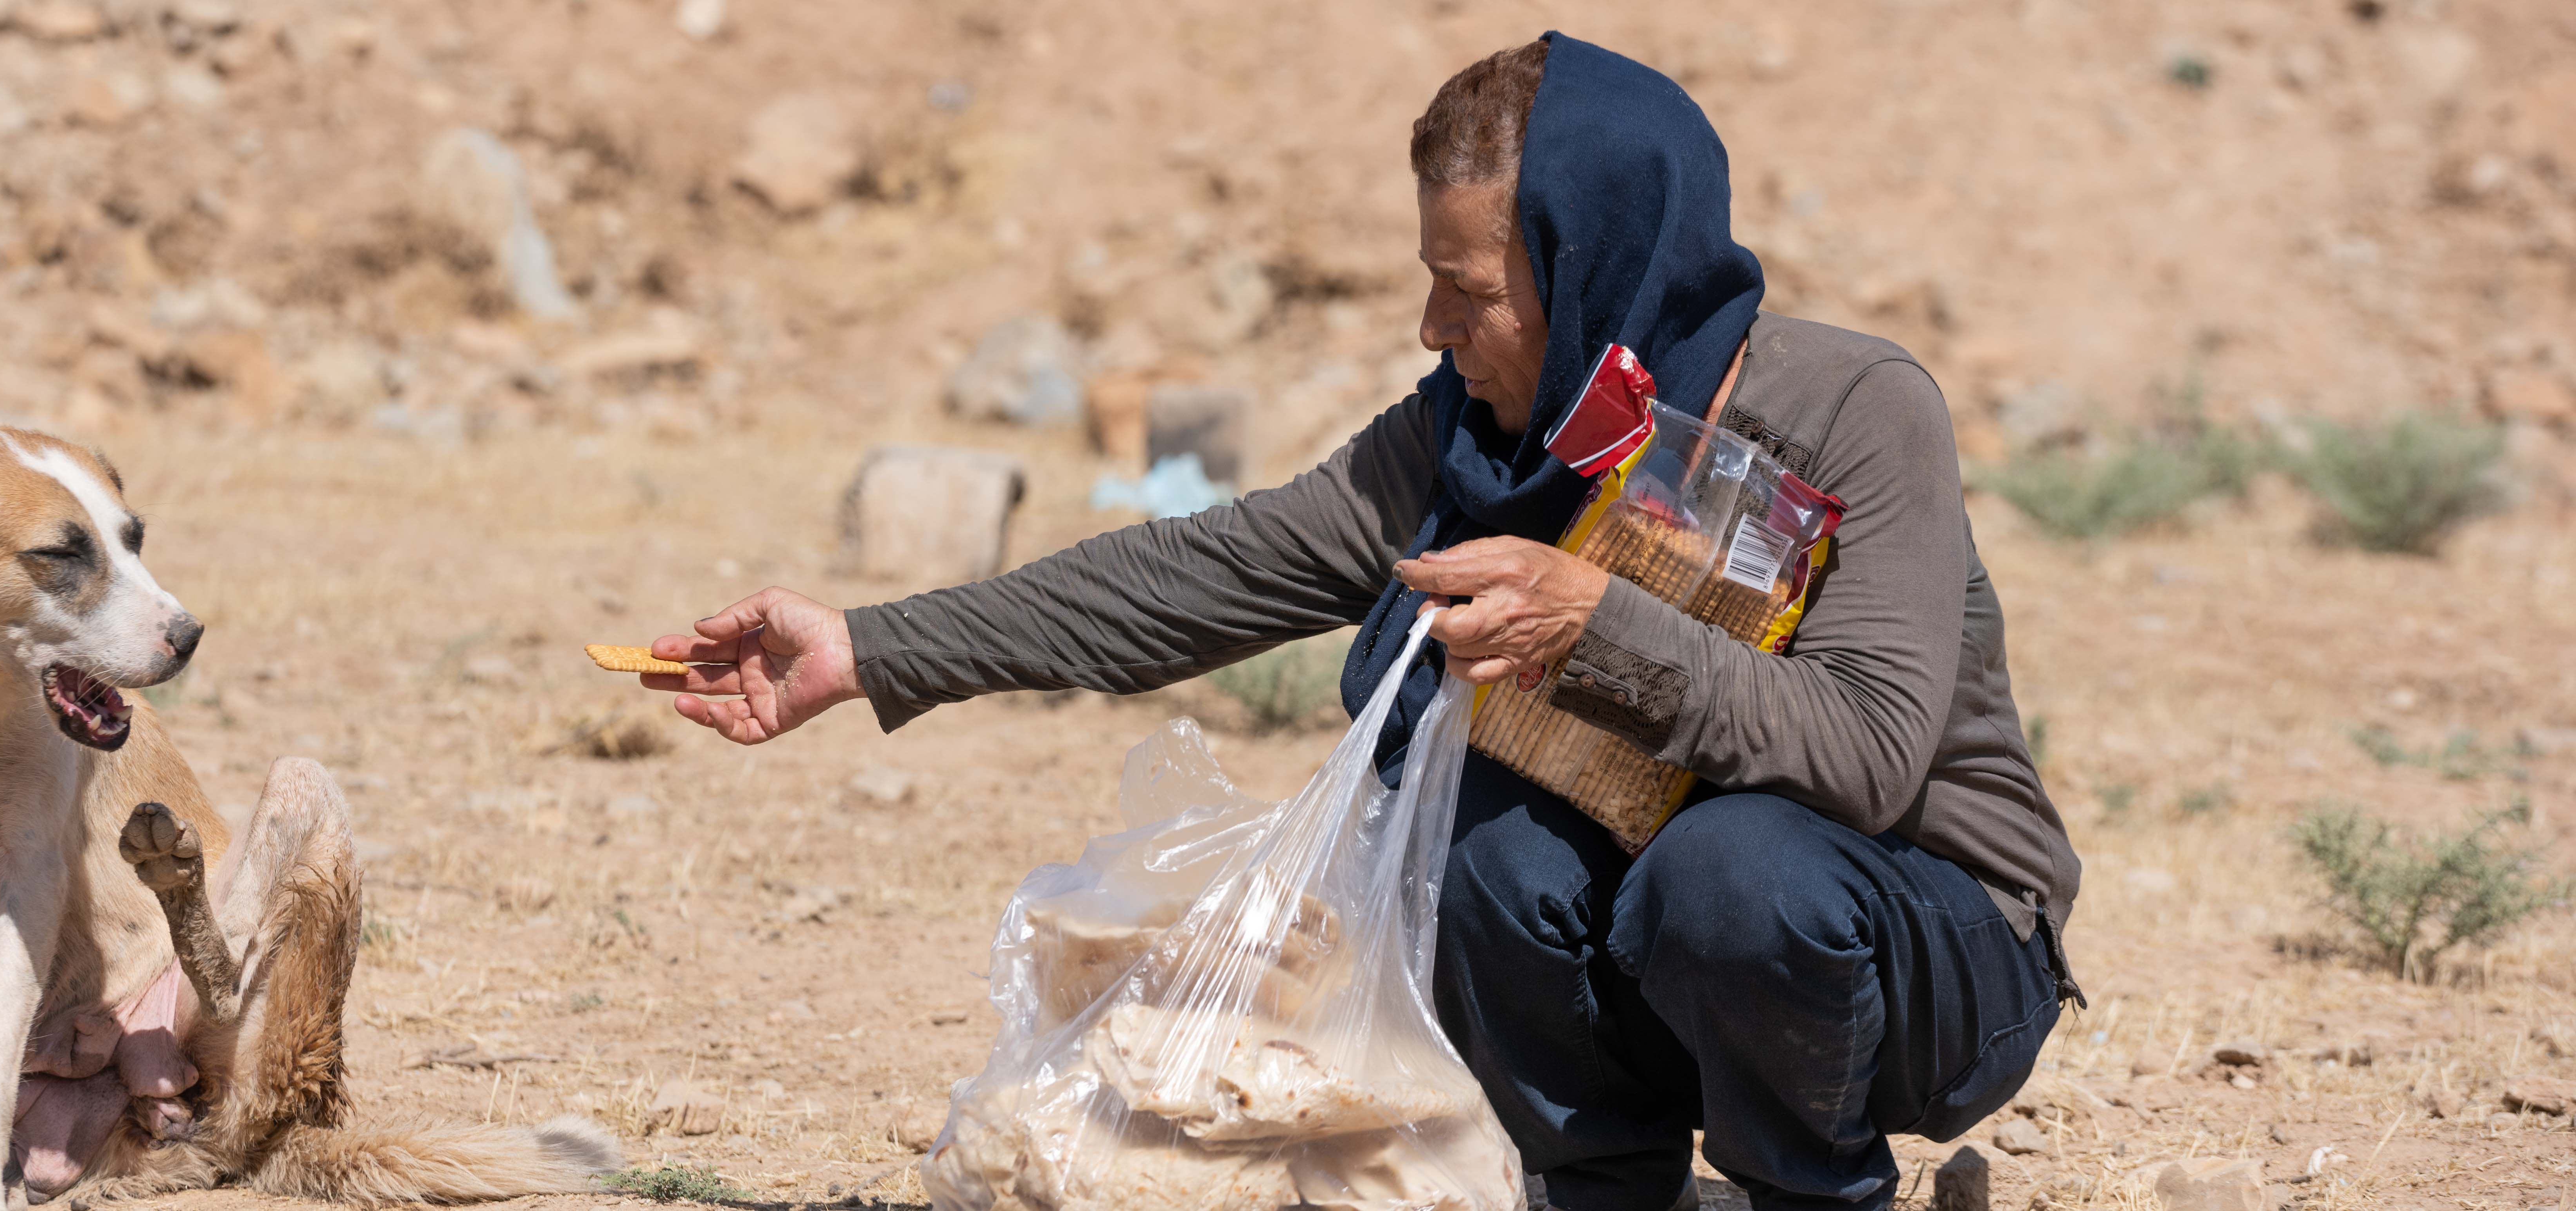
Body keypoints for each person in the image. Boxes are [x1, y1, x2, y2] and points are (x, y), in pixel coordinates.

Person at [633, 34, 2080, 1211]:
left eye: (1470, 294)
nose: (1432, 330)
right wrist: (874, 648)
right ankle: (1600, 1191)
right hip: (1688, 967)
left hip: (1928, 961)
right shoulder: (1477, 440)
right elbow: (1207, 573)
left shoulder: (1851, 409)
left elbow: (1875, 754)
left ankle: (1811, 1194)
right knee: (1494, 847)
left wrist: (1594, 622)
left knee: (1733, 869)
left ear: (1595, 277)